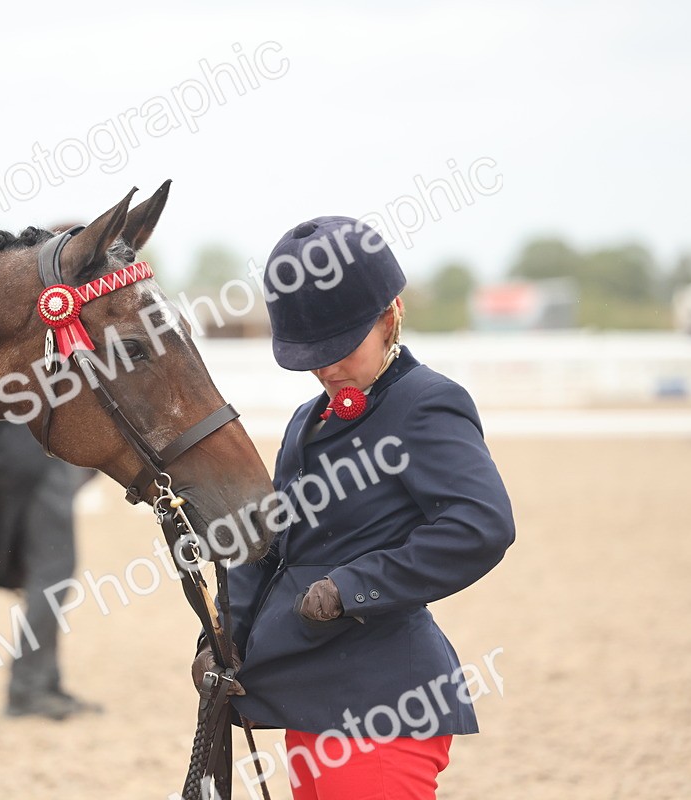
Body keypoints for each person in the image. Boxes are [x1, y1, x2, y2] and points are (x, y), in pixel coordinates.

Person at [193, 217, 515, 799]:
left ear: (390, 314)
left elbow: (481, 524)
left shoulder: (426, 404)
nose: (326, 368)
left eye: (340, 349)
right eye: (311, 355)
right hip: (311, 700)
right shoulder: (305, 420)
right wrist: (223, 636)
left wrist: (353, 586)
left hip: (382, 704)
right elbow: (271, 542)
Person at [0, 420, 100, 720]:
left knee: (49, 578)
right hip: (40, 457)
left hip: (25, 454)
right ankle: (29, 689)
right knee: (52, 578)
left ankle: (44, 683)